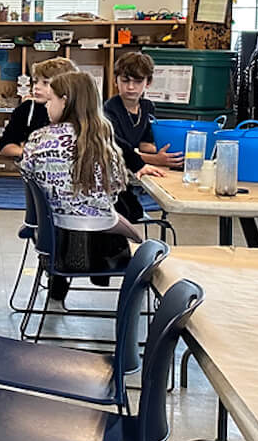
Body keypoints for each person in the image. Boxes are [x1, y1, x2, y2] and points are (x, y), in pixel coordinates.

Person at [21, 71, 163, 302]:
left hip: (53, 244)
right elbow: (116, 188)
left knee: (105, 216)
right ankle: (139, 243)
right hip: (102, 251)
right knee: (121, 218)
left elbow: (27, 174)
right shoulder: (104, 141)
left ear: (65, 100)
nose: (46, 106)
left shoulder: (38, 138)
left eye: (50, 100)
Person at [103, 51, 182, 221]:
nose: (131, 87)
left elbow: (145, 143)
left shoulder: (147, 107)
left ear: (148, 82)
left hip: (134, 169)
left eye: (137, 82)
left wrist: (167, 151)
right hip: (115, 174)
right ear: (115, 80)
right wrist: (157, 160)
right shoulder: (109, 109)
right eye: (125, 81)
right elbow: (117, 149)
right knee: (133, 211)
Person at [0, 56, 77, 160]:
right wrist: (31, 153)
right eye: (35, 82)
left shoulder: (77, 109)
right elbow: (5, 145)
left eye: (45, 83)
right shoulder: (26, 109)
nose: (36, 87)